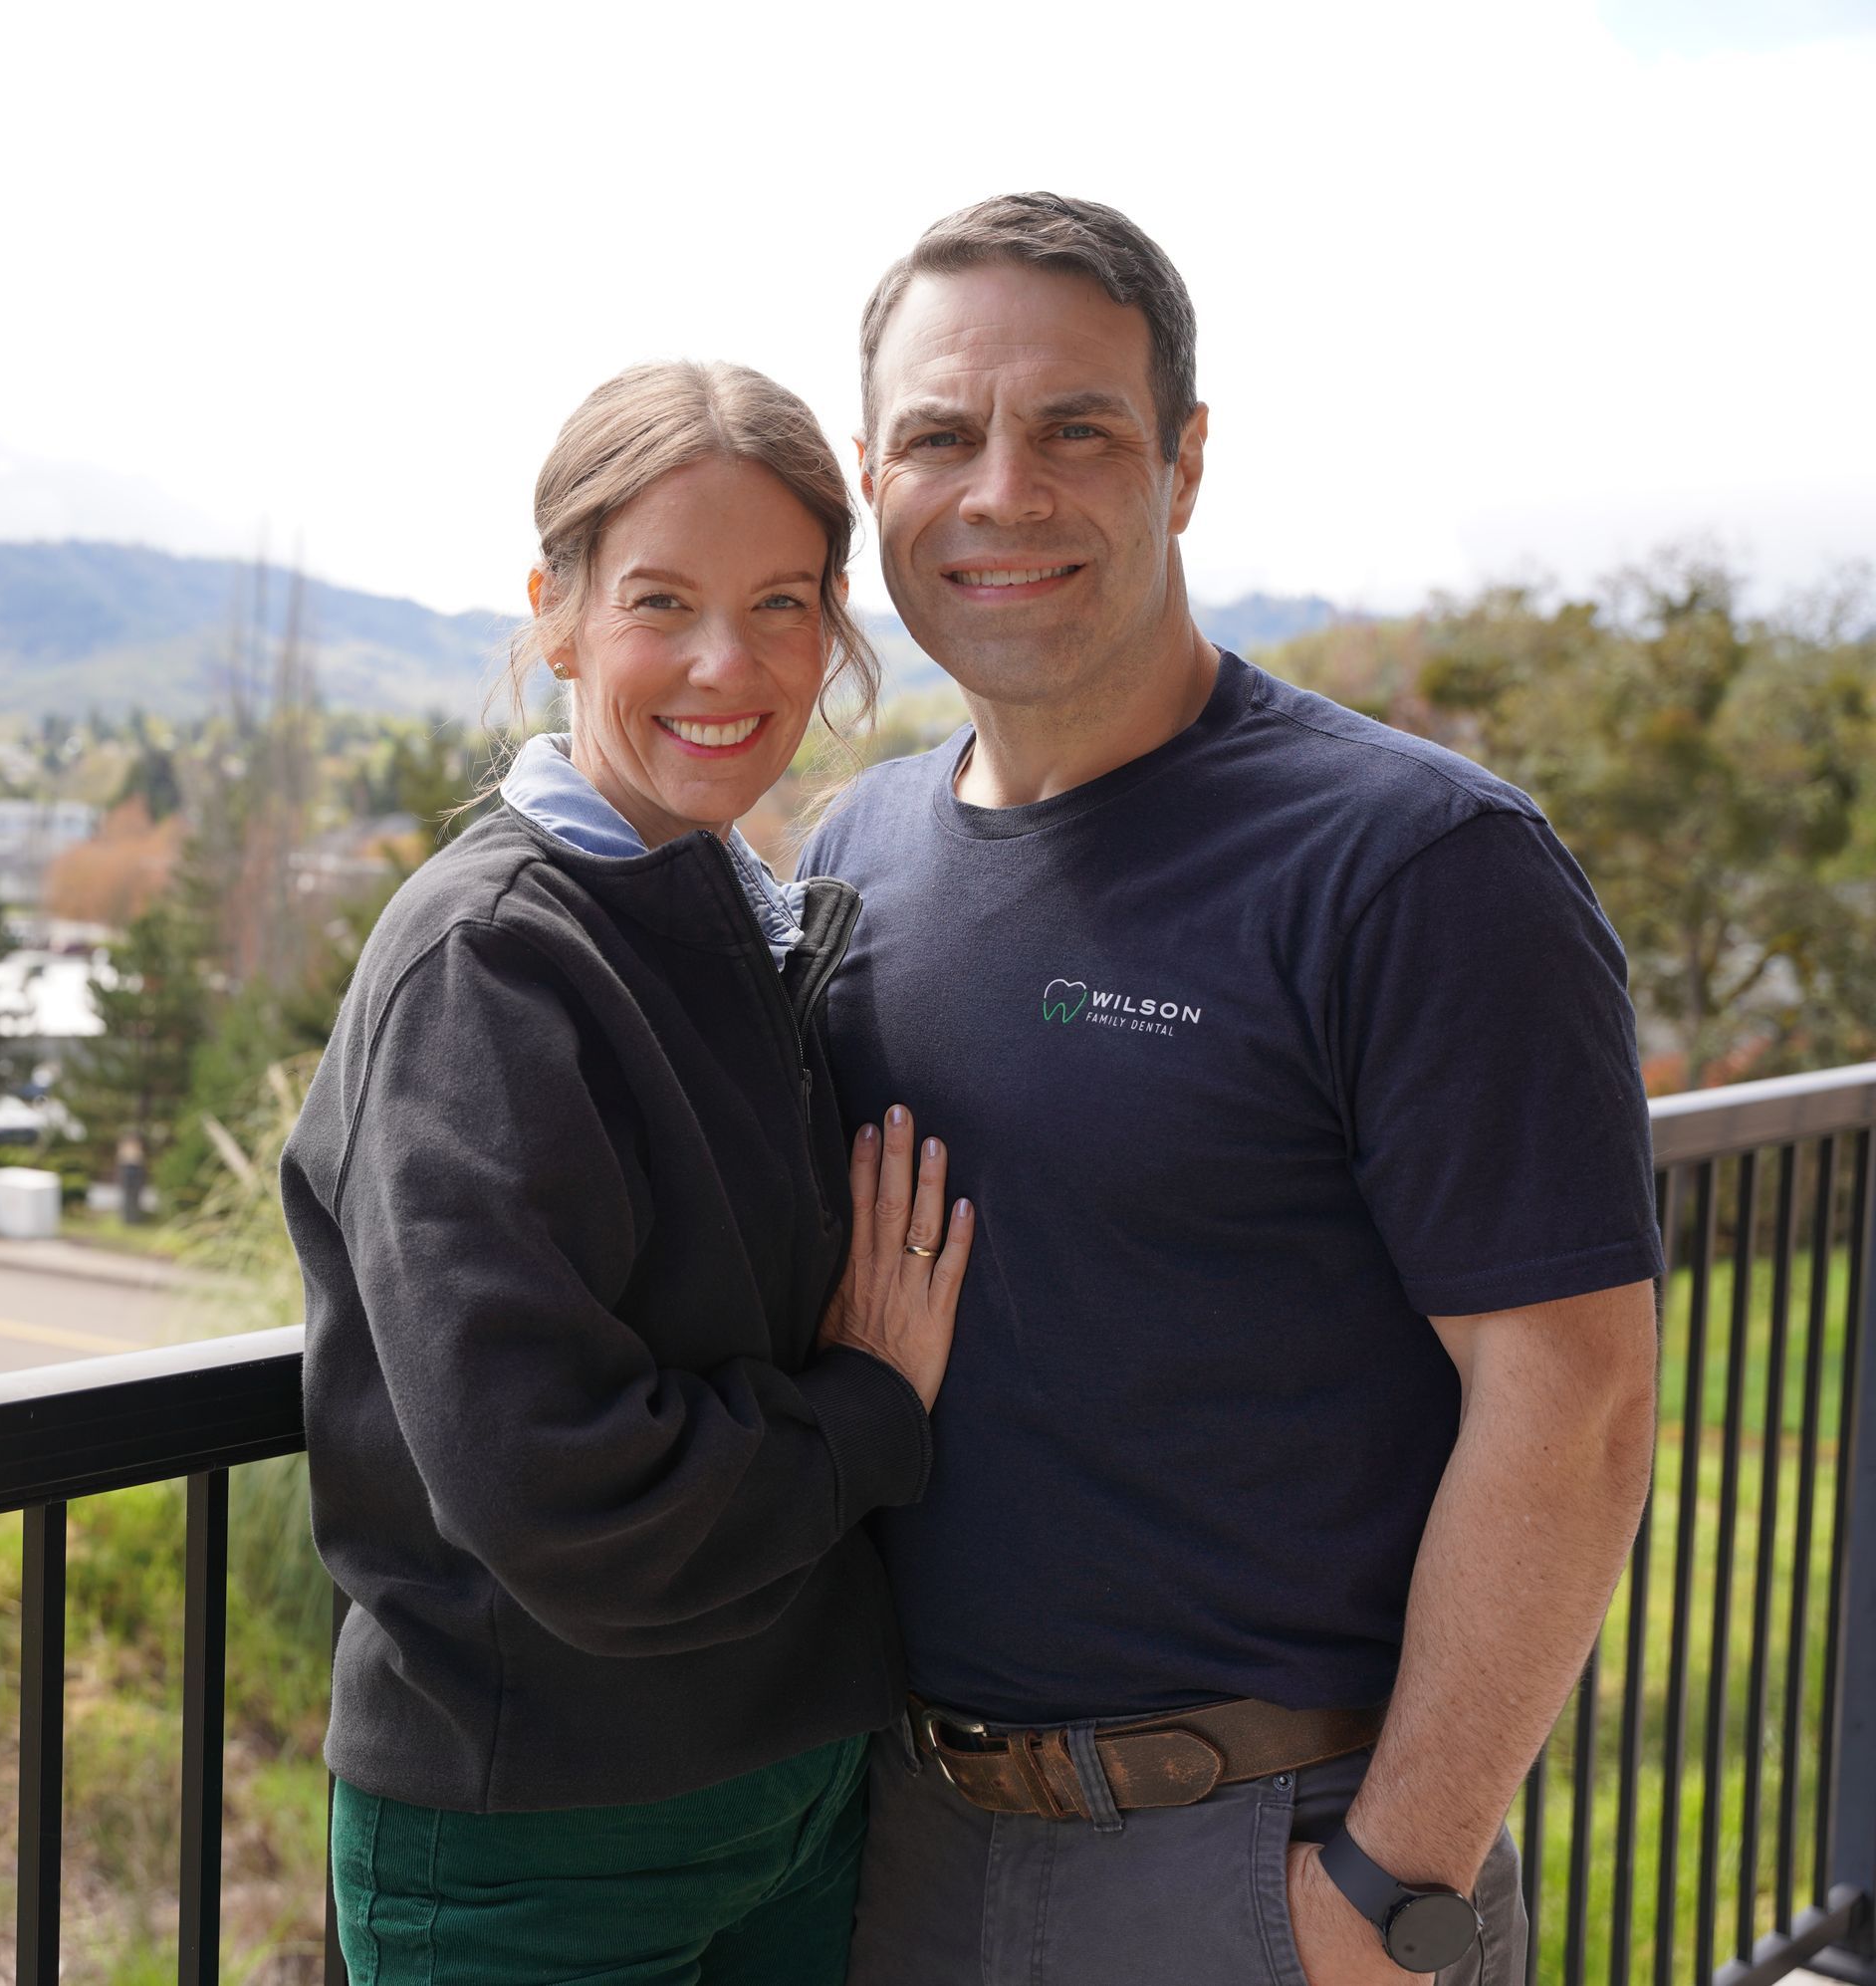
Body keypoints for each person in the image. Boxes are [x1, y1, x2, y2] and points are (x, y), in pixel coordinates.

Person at [798, 194, 1663, 1986]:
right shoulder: (851, 856)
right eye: (942, 436)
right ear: (873, 479)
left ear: (1184, 463)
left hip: (1270, 1868)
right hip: (907, 1852)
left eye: (1077, 430)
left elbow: (1573, 1401)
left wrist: (1390, 1893)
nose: (1003, 492)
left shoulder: (1417, 864)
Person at [280, 359, 973, 1984]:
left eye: (783, 604)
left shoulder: (721, 907)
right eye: (663, 601)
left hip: (793, 1795)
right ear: (559, 614)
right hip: (540, 1844)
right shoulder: (490, 962)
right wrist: (868, 1409)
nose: (729, 664)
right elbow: (556, 1485)